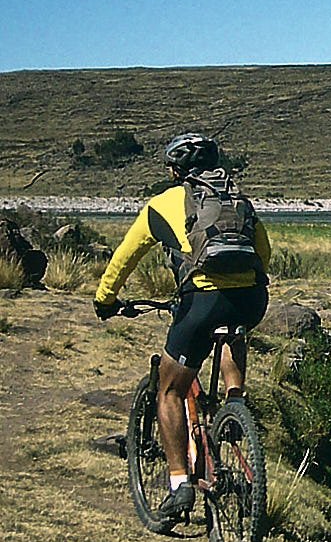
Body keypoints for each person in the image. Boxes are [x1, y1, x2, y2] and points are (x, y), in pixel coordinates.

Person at [93, 133, 271, 521]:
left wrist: (105, 299)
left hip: (202, 300)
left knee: (170, 390)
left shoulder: (161, 205)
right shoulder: (236, 200)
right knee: (231, 330)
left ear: (176, 170)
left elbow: (125, 257)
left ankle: (179, 485)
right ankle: (235, 403)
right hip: (253, 298)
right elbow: (265, 254)